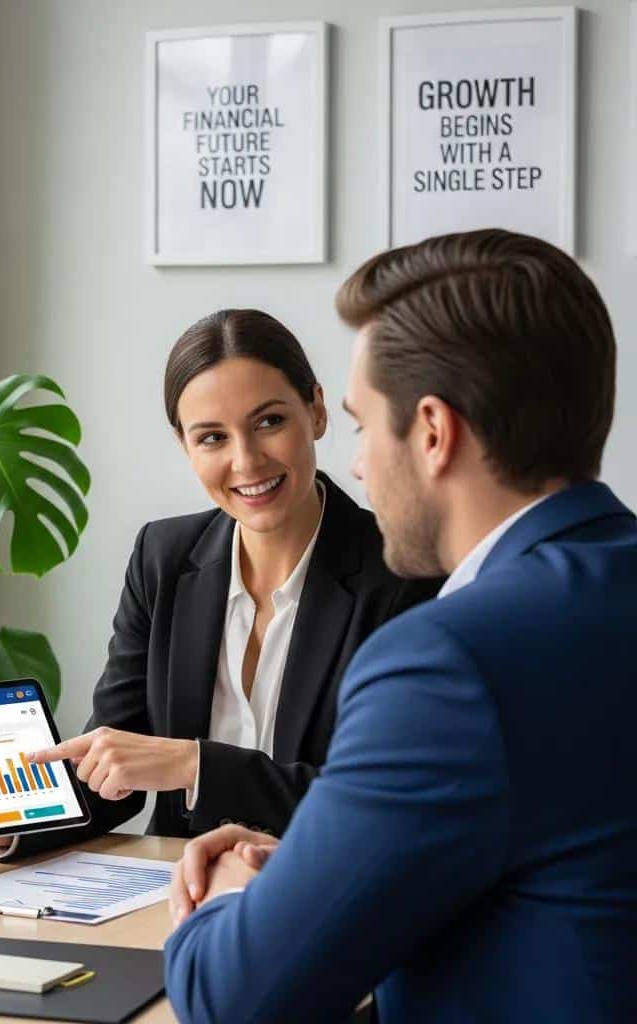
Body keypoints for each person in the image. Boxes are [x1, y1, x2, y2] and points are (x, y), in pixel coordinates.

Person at [164, 229, 637, 1023]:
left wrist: (241, 896)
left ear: (431, 432)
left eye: (358, 425)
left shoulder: (446, 663)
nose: (356, 465)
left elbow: (233, 999)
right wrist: (332, 874)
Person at [0, 309, 438, 860]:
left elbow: (383, 800)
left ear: (314, 410)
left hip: (327, 891)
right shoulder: (163, 559)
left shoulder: (402, 573)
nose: (246, 461)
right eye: (212, 437)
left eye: (269, 422)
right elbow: (112, 769)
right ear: (184, 445)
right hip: (170, 898)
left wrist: (194, 766)